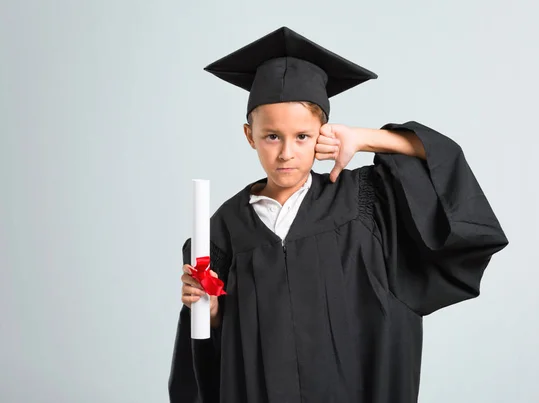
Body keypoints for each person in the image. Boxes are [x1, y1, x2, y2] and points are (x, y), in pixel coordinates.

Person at [168, 26, 508, 403]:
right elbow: (211, 357)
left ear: (322, 134)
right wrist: (212, 311)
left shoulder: (367, 200)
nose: (286, 153)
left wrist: (363, 138)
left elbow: (440, 165)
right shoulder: (223, 229)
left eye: (302, 136)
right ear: (250, 136)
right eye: (271, 136)